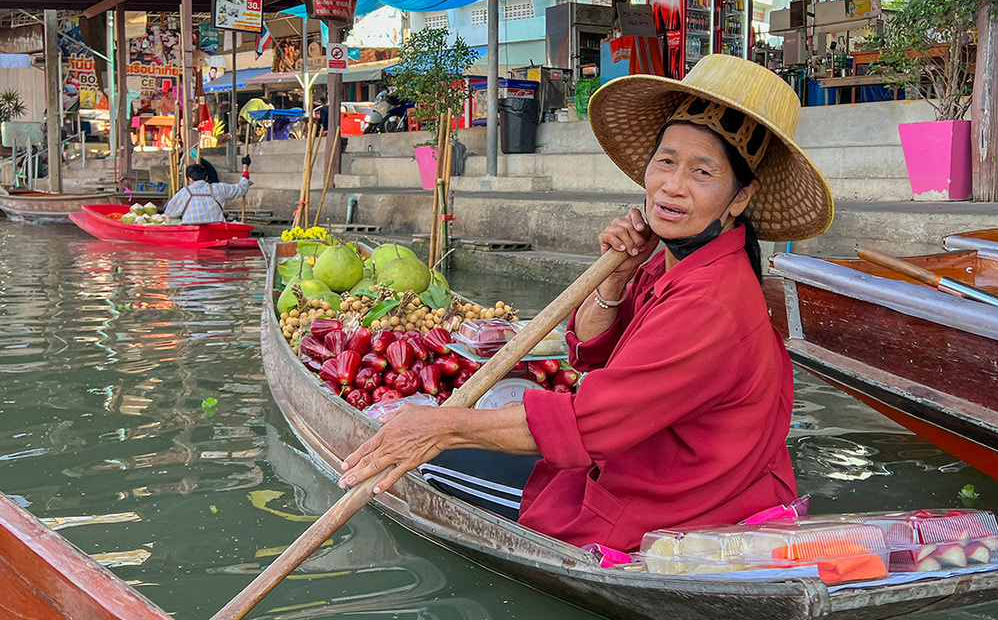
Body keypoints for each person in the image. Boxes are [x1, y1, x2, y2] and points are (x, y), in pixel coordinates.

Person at [338, 56, 835, 551]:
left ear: (740, 198)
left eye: (702, 172)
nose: (672, 186)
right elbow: (590, 353)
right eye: (665, 160)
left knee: (430, 463)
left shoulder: (714, 301)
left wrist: (441, 426)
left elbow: (587, 424)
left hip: (665, 505)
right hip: (640, 471)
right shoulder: (676, 265)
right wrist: (615, 280)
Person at [163, 157, 252, 224]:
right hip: (217, 231)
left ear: (189, 179)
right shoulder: (218, 188)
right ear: (206, 178)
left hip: (191, 232)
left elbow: (169, 213)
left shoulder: (183, 193)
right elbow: (241, 188)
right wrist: (245, 166)